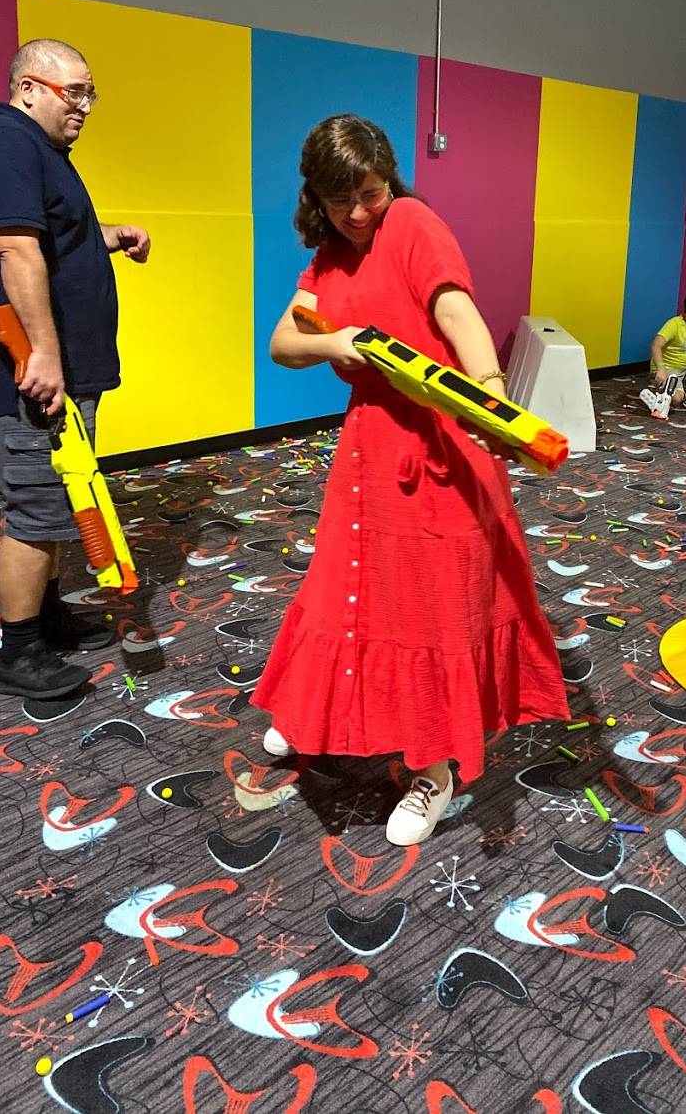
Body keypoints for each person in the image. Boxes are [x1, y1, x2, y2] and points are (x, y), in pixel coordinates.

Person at [251, 114, 570, 846]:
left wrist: (489, 391)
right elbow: (284, 341)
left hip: (441, 446)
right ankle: (312, 713)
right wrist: (337, 340)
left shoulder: (414, 223)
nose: (359, 213)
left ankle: (435, 769)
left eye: (370, 193)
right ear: (317, 199)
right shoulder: (328, 258)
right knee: (347, 589)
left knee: (432, 610)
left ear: (388, 181)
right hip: (368, 449)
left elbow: (455, 306)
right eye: (341, 201)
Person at [0, 39, 150, 700]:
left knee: (61, 500)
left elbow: (53, 241)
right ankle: (18, 651)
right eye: (76, 92)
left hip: (58, 371)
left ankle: (48, 616)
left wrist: (108, 236)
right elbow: (15, 250)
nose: (86, 106)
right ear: (29, 88)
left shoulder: (39, 152)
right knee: (36, 507)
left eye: (92, 94)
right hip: (23, 371)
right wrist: (43, 353)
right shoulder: (2, 143)